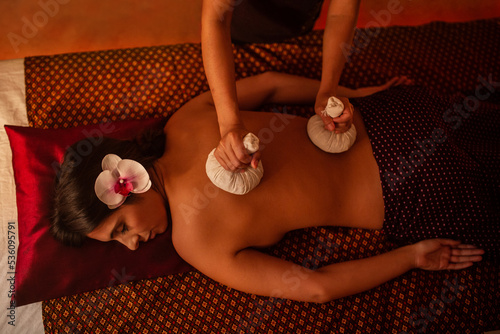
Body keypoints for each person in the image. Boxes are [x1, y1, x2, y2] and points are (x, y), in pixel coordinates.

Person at [51, 72, 487, 303]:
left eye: (121, 228)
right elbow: (272, 84)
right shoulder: (184, 121)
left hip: (414, 189)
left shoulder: (196, 244)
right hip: (395, 119)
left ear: (128, 184)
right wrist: (357, 93)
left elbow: (317, 288)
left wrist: (411, 256)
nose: (132, 246)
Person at [202, 0, 361, 172]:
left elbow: (341, 14)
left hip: (298, 26)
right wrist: (229, 124)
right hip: (239, 32)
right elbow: (217, 19)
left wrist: (329, 90)